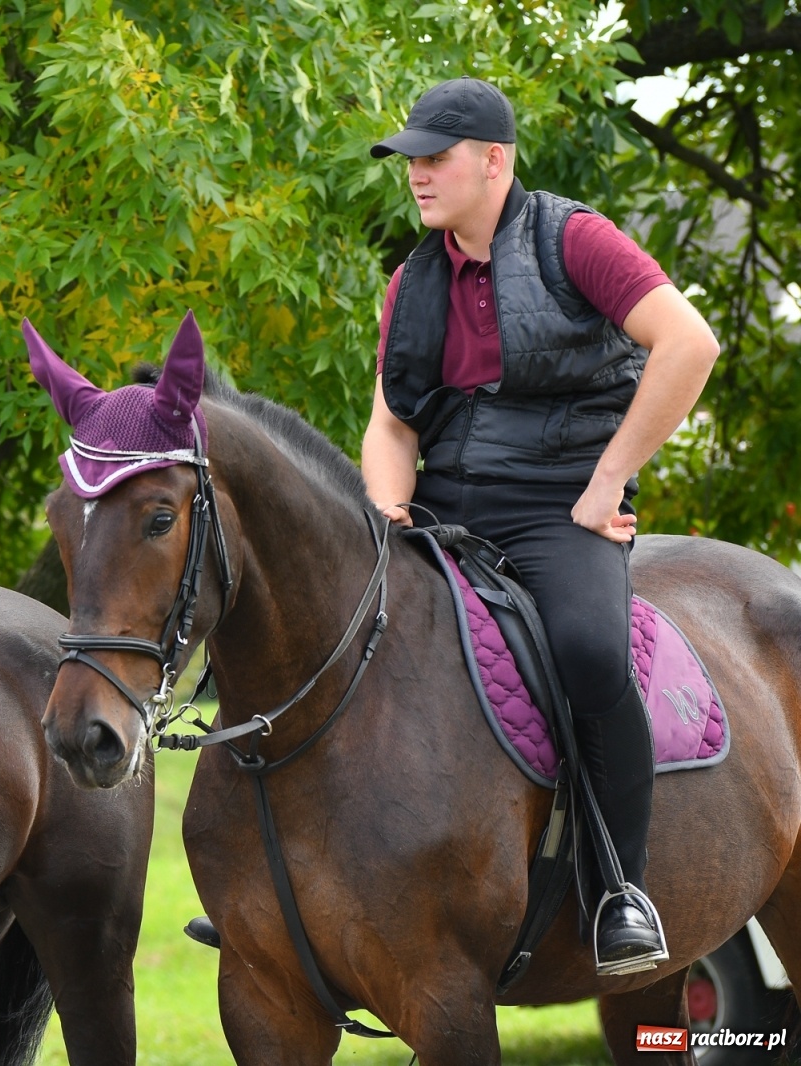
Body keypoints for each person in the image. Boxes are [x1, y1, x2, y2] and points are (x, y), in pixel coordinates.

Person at [360, 77, 719, 975]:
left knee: (591, 653)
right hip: (443, 505)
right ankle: (316, 885)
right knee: (347, 642)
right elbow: (392, 423)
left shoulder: (574, 239)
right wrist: (385, 506)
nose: (417, 176)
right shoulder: (411, 281)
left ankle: (620, 894)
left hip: (562, 507)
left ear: (494, 160)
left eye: (434, 159)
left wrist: (609, 482)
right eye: (410, 161)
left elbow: (690, 344)